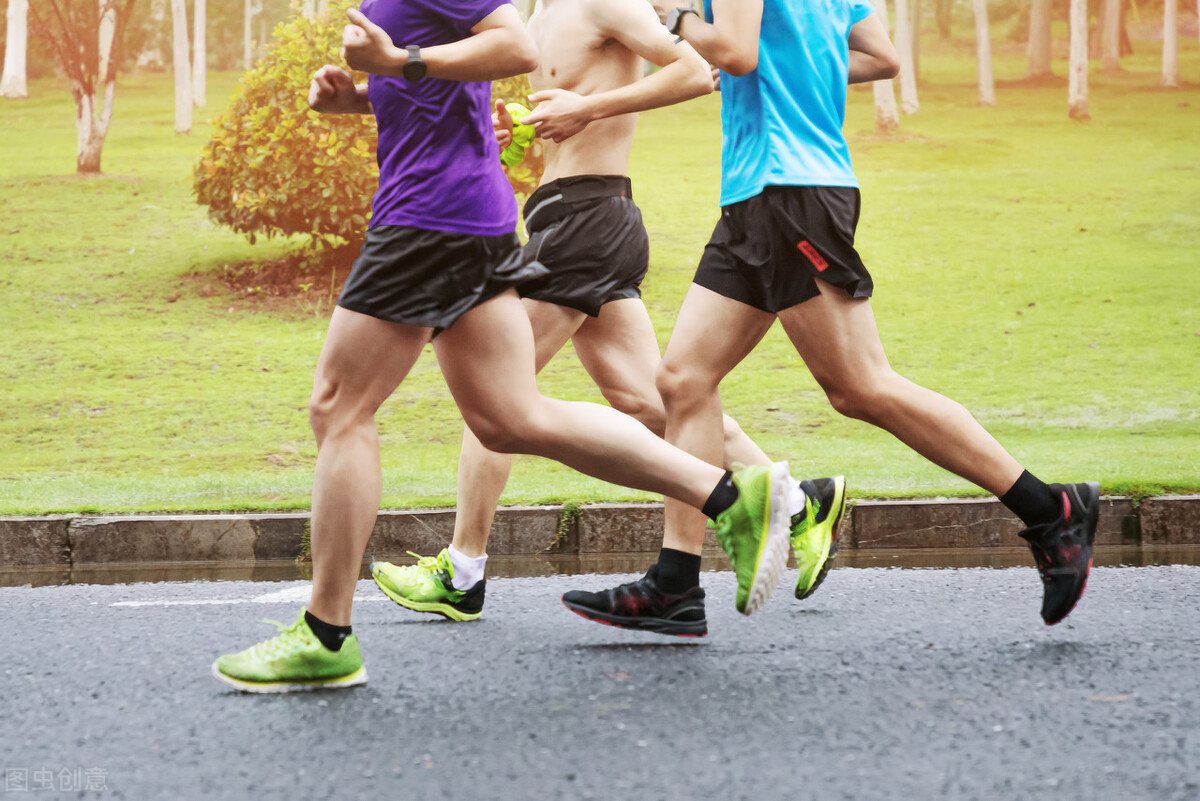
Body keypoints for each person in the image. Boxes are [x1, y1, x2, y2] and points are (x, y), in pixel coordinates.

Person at [211, 0, 795, 693]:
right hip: (467, 212)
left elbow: (511, 49)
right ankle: (733, 495)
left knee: (340, 406)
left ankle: (326, 632)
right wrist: (367, 97)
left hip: (428, 216)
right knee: (510, 417)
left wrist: (400, 62)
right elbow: (463, 81)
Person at [564, 0, 1100, 629]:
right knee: (683, 380)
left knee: (862, 386)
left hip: (785, 190)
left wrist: (675, 17)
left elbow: (735, 54)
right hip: (774, 191)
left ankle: (1051, 509)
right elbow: (881, 57)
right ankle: (675, 584)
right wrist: (797, 72)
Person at [368, 0, 848, 636]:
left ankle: (461, 574)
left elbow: (695, 71)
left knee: (494, 396)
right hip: (568, 217)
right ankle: (797, 504)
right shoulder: (531, 19)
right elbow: (567, 104)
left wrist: (587, 107)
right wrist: (511, 127)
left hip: (587, 222)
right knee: (649, 401)